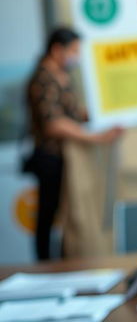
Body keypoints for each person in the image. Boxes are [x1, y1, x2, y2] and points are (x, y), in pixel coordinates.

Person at [25, 26, 123, 260]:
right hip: (50, 156)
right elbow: (54, 123)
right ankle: (45, 265)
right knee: (48, 213)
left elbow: (74, 114)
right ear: (57, 49)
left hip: (67, 157)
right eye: (73, 51)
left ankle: (65, 260)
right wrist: (95, 137)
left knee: (69, 214)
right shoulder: (43, 78)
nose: (76, 57)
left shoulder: (63, 76)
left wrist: (105, 115)